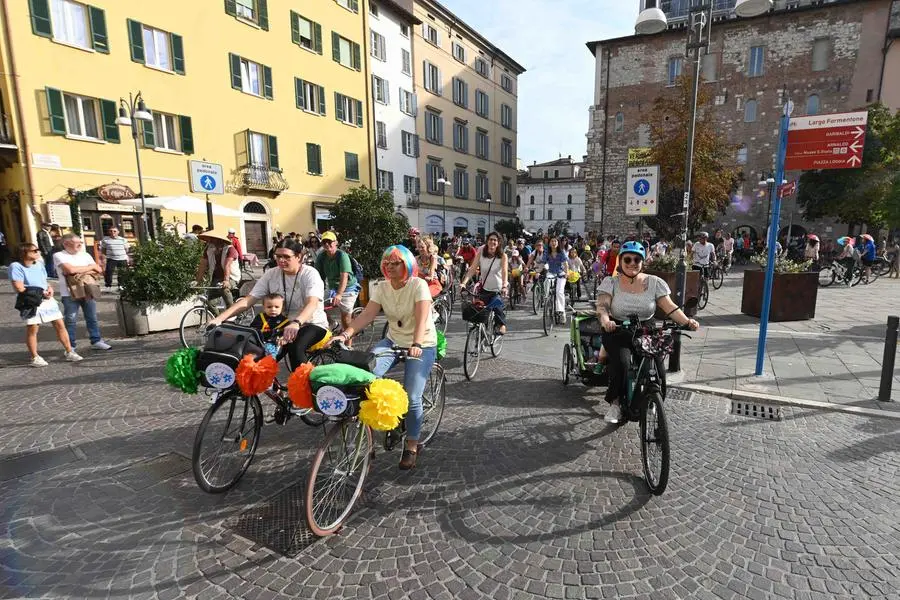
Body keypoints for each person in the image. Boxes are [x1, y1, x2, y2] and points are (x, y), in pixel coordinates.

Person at [330, 245, 437, 470]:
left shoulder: (418, 285)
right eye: (387, 263)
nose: (390, 267)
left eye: (395, 263)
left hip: (422, 343)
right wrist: (345, 334)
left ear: (407, 265)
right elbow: (368, 314)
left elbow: (422, 317)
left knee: (413, 396)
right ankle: (371, 430)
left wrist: (417, 344)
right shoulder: (381, 286)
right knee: (366, 375)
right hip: (393, 341)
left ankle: (411, 445)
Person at [596, 241, 699, 424]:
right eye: (627, 259)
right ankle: (616, 403)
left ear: (643, 262)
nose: (632, 263)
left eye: (637, 259)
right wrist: (606, 321)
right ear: (621, 260)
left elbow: (670, 307)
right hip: (619, 329)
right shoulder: (611, 282)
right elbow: (603, 306)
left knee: (658, 368)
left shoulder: (654, 283)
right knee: (622, 363)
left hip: (646, 330)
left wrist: (687, 321)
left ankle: (653, 399)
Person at [208, 239, 329, 369]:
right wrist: (219, 319)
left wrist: (296, 323)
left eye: (286, 257)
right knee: (254, 348)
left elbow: (312, 303)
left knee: (296, 346)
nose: (281, 260)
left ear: (299, 257)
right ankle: (268, 386)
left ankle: (303, 386)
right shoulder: (272, 274)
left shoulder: (310, 274)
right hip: (282, 323)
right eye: (278, 256)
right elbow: (249, 300)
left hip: (311, 323)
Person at [10, 243, 82, 366]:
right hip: (30, 301)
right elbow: (19, 287)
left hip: (47, 300)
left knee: (60, 324)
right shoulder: (16, 266)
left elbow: (44, 281)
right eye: (34, 250)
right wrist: (39, 293)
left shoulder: (39, 264)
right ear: (24, 253)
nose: (38, 252)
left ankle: (69, 351)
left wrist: (50, 289)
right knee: (33, 328)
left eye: (38, 249)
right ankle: (34, 357)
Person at [53, 233, 112, 351]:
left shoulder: (85, 255)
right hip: (69, 292)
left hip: (88, 289)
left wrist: (77, 272)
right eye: (77, 244)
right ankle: (71, 345)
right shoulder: (59, 255)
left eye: (81, 243)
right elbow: (69, 269)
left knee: (92, 317)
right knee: (71, 319)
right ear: (66, 244)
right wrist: (89, 268)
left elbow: (98, 269)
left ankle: (96, 340)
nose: (80, 245)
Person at [461, 231, 509, 335]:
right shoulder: (481, 253)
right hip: (484, 288)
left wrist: (505, 285)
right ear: (487, 241)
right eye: (491, 240)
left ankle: (502, 325)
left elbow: (505, 272)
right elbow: (472, 269)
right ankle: (482, 335)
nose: (492, 242)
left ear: (498, 243)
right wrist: (464, 283)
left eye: (495, 240)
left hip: (497, 289)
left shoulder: (503, 256)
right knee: (480, 312)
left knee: (497, 307)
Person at [314, 230, 359, 333]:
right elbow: (317, 277)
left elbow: (344, 276)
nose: (326, 244)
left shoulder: (342, 255)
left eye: (329, 241)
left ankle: (348, 346)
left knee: (345, 318)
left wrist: (339, 294)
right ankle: (333, 325)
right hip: (333, 287)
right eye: (324, 242)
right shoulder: (321, 256)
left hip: (348, 288)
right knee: (316, 306)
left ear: (336, 242)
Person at [196, 230, 241, 308]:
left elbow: (227, 265)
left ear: (220, 240)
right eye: (210, 240)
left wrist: (226, 280)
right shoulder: (209, 249)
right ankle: (218, 318)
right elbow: (202, 265)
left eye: (212, 239)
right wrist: (197, 281)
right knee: (209, 301)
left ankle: (232, 311)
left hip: (231, 277)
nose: (210, 241)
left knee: (224, 289)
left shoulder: (230, 249)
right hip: (216, 278)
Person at [249, 293, 290, 358]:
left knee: (269, 357)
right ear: (264, 307)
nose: (273, 309)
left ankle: (268, 366)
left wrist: (283, 338)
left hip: (273, 345)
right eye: (269, 307)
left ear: (282, 307)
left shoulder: (284, 321)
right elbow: (252, 329)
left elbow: (286, 334)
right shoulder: (260, 317)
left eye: (276, 307)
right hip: (258, 343)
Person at [544, 237, 569, 320]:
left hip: (560, 273)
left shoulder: (561, 252)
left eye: (555, 241)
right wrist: (538, 272)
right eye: (552, 241)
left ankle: (562, 312)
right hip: (551, 272)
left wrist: (567, 273)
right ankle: (547, 299)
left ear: (558, 243)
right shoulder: (547, 252)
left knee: (559, 292)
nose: (553, 242)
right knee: (547, 281)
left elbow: (565, 264)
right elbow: (545, 263)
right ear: (549, 243)